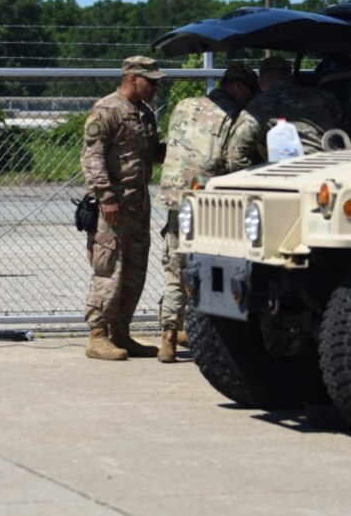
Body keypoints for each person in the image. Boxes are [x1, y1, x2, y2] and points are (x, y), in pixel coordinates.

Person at [154, 62, 260, 363]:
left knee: (175, 265)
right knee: (214, 265)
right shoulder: (238, 116)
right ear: (239, 87)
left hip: (176, 196)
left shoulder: (184, 105)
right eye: (248, 93)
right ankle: (214, 334)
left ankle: (169, 337)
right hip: (211, 201)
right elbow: (234, 160)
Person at [80, 55, 166, 361]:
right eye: (151, 81)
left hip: (138, 206)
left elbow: (154, 154)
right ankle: (97, 336)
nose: (156, 86)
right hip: (112, 209)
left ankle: (121, 333)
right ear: (132, 78)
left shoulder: (145, 114)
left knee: (134, 271)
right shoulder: (107, 110)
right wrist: (106, 197)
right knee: (109, 271)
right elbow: (92, 157)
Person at [225, 55, 344, 171]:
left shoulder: (257, 106)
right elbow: (346, 133)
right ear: (289, 77)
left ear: (260, 84)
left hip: (289, 174)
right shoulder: (325, 97)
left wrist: (261, 176)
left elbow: (235, 157)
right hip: (333, 169)